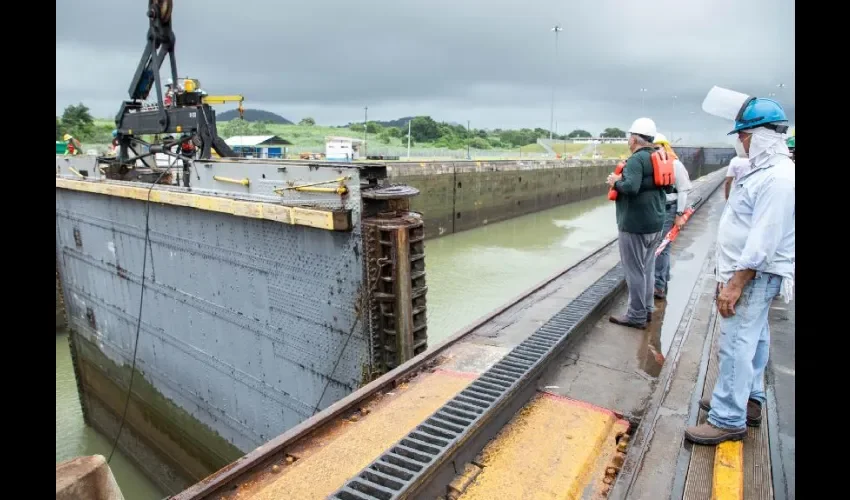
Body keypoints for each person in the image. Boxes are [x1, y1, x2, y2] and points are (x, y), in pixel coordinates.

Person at [684, 96, 795, 445]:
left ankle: (727, 417)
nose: (741, 142)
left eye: (745, 136)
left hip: (752, 277)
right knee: (755, 338)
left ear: (762, 134)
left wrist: (735, 283)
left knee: (736, 343)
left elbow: (764, 237)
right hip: (751, 275)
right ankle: (748, 400)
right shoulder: (765, 172)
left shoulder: (778, 178)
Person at [606, 117, 667, 330]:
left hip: (635, 225)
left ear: (634, 138)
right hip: (656, 223)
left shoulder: (636, 160)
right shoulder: (659, 156)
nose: (628, 141)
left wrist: (615, 182)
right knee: (647, 268)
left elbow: (630, 187)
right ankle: (647, 309)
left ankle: (636, 315)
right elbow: (667, 188)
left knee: (634, 271)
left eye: (629, 137)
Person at [651, 133, 693, 300]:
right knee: (662, 247)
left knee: (661, 248)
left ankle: (658, 285)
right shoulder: (654, 165)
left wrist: (679, 215)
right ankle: (662, 280)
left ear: (665, 146)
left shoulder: (675, 165)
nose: (656, 151)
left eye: (658, 147)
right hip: (657, 209)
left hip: (669, 209)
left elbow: (683, 191)